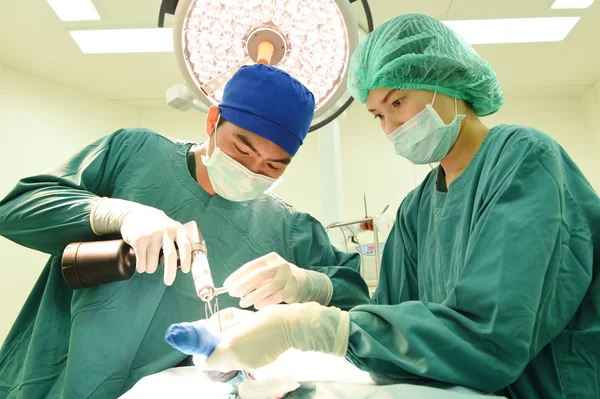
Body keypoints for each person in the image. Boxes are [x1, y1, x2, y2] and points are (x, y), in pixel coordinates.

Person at [188, 14, 600, 399]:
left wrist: (307, 328)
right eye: (377, 115)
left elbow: (490, 337)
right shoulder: (414, 211)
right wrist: (298, 302)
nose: (391, 127)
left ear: (449, 77)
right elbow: (394, 327)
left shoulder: (522, 160)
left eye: (398, 103)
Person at [0, 64, 370, 398]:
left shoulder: (288, 228)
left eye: (273, 166)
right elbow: (16, 208)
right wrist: (116, 213)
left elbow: (361, 305)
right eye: (242, 149)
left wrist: (309, 283)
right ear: (212, 122)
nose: (254, 170)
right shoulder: (134, 153)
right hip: (51, 383)